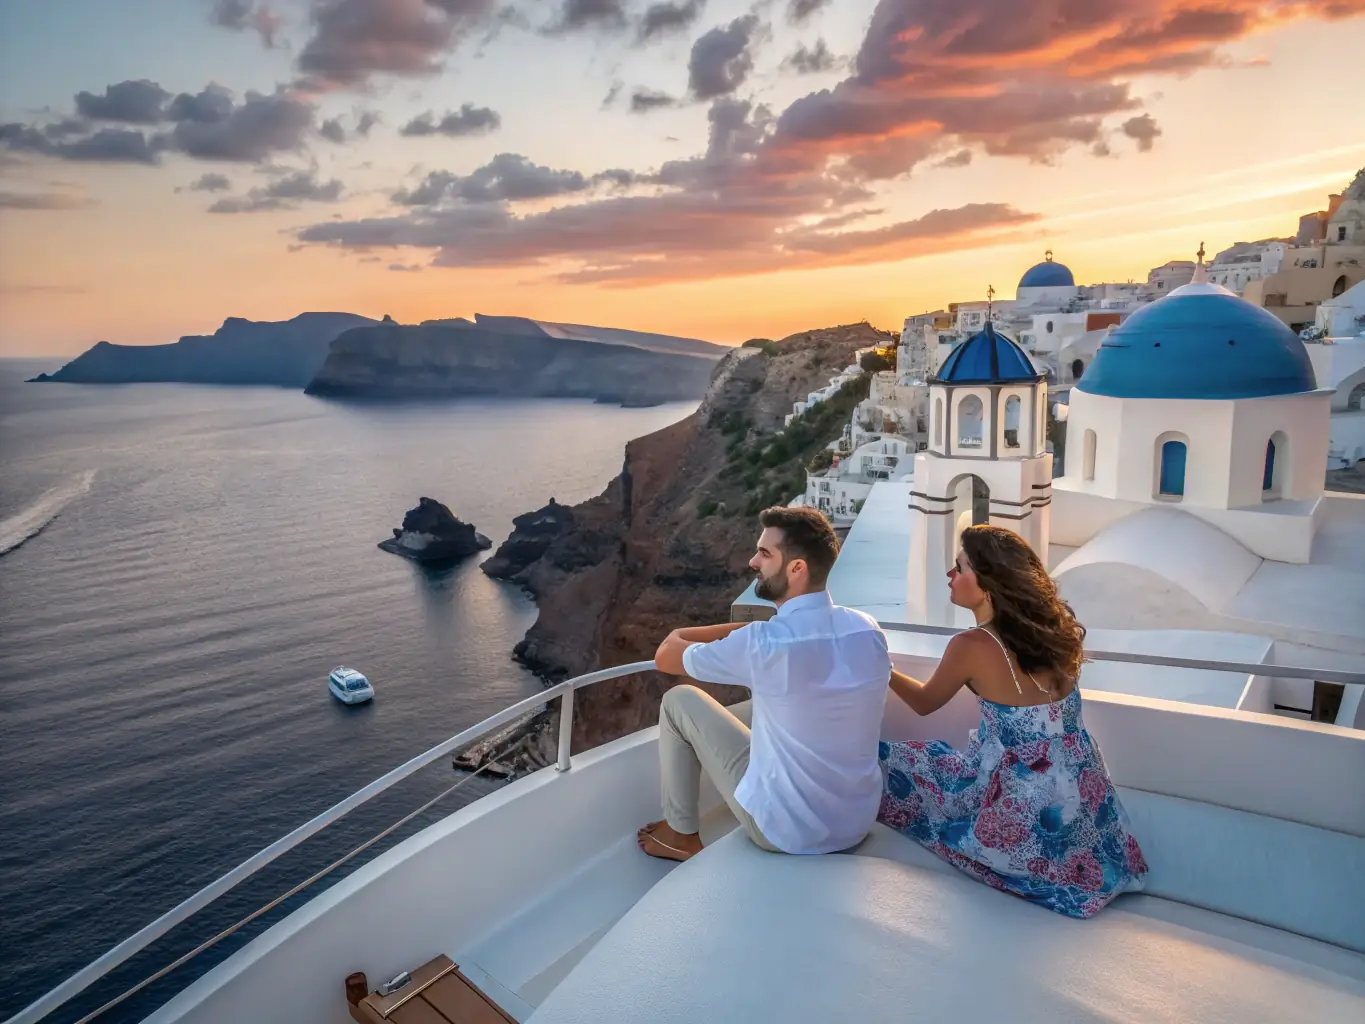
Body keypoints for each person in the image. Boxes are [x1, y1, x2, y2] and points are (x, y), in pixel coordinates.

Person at [877, 525, 1147, 918]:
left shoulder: (970, 646)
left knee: (892, 763)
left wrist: (881, 666)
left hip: (1024, 803)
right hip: (1083, 798)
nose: (950, 576)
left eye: (960, 567)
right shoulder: (1053, 635)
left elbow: (923, 703)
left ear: (987, 583)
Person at [637, 506, 892, 862]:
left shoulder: (765, 643)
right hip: (856, 823)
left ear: (797, 568)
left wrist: (684, 631)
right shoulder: (867, 629)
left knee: (679, 701)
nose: (754, 562)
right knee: (775, 706)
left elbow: (667, 655)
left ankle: (680, 836)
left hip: (785, 832)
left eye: (765, 553)